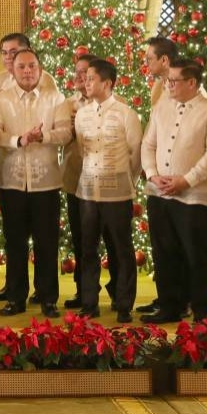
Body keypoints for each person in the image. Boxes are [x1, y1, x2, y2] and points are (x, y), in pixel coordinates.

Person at [141, 59, 207, 324]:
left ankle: (201, 309)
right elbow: (148, 144)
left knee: (195, 253)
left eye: (174, 81)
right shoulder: (161, 107)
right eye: (168, 80)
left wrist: (186, 180)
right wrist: (153, 175)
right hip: (159, 193)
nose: (168, 85)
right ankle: (170, 305)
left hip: (194, 195)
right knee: (164, 251)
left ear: (192, 83)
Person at [0, 48, 71, 318]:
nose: (27, 71)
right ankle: (16, 297)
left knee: (47, 242)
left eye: (32, 66)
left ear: (40, 68)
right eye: (22, 66)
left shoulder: (56, 98)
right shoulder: (0, 101)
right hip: (11, 181)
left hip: (46, 182)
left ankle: (48, 298)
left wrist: (41, 136)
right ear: (13, 69)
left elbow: (65, 133)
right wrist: (19, 140)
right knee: (15, 242)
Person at [74, 58, 142, 322]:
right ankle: (89, 303)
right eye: (85, 78)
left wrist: (128, 181)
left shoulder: (127, 114)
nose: (85, 83)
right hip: (88, 192)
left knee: (121, 248)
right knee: (88, 248)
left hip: (118, 193)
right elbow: (82, 151)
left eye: (91, 79)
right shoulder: (82, 114)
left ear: (107, 83)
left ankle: (124, 303)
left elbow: (136, 154)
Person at [60, 53, 118, 310]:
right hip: (77, 180)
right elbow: (59, 137)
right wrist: (68, 128)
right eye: (78, 73)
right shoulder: (67, 105)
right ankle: (84, 293)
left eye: (87, 73)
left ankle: (118, 292)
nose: (81, 77)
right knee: (82, 240)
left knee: (114, 240)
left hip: (109, 185)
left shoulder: (117, 106)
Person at [0, 32, 29, 303]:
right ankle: (14, 285)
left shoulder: (41, 79)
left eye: (13, 52)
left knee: (37, 235)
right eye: (4, 53)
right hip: (6, 164)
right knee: (12, 233)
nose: (8, 58)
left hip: (36, 169)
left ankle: (41, 290)